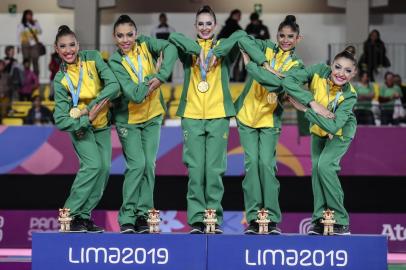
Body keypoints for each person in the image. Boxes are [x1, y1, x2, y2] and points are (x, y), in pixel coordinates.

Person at [169, 5, 245, 234]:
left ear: (215, 26)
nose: (204, 28)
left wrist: (217, 52)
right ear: (195, 26)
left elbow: (240, 35)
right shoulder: (188, 51)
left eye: (208, 23)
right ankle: (196, 220)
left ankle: (212, 218)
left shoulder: (224, 50)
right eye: (200, 24)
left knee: (214, 170)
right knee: (195, 170)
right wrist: (196, 49)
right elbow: (173, 36)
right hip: (191, 116)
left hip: (218, 116)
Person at [108, 15, 177, 234]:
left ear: (136, 34)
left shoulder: (146, 43)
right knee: (136, 165)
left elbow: (171, 47)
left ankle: (144, 215)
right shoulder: (114, 62)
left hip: (153, 116)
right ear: (114, 37)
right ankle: (127, 216)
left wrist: (163, 74)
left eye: (129, 34)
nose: (125, 40)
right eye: (120, 35)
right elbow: (135, 95)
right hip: (128, 119)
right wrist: (155, 78)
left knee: (149, 165)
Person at [235, 15, 303, 235]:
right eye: (282, 35)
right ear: (276, 36)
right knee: (251, 166)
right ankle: (254, 218)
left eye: (290, 37)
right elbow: (241, 38)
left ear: (298, 39)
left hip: (269, 119)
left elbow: (278, 84)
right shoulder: (265, 48)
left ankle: (271, 219)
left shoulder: (297, 66)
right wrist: (264, 63)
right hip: (246, 116)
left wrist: (252, 66)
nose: (285, 40)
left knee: (266, 165)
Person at [282, 46, 359, 235]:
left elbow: (334, 126)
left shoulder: (350, 95)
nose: (341, 73)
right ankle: (320, 220)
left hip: (341, 131)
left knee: (325, 166)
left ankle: (341, 221)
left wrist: (306, 110)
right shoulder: (318, 70)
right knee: (316, 170)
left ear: (354, 74)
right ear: (331, 65)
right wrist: (312, 103)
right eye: (338, 67)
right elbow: (289, 81)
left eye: (348, 71)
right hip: (318, 130)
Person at [53, 25, 120, 232]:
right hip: (82, 128)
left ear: (78, 45)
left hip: (101, 125)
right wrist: (84, 121)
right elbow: (61, 119)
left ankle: (83, 216)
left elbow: (114, 86)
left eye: (72, 45)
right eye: (63, 46)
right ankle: (69, 214)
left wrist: (90, 109)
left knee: (104, 169)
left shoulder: (93, 57)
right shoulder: (60, 79)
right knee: (92, 166)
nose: (68, 50)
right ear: (57, 49)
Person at [17, 9, 42, 75]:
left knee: (35, 62)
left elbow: (40, 31)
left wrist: (36, 24)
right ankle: (26, 79)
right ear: (25, 16)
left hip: (34, 45)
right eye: (28, 15)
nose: (29, 16)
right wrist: (19, 46)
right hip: (25, 44)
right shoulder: (21, 25)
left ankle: (36, 80)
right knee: (26, 62)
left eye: (30, 15)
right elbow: (18, 36)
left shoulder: (35, 23)